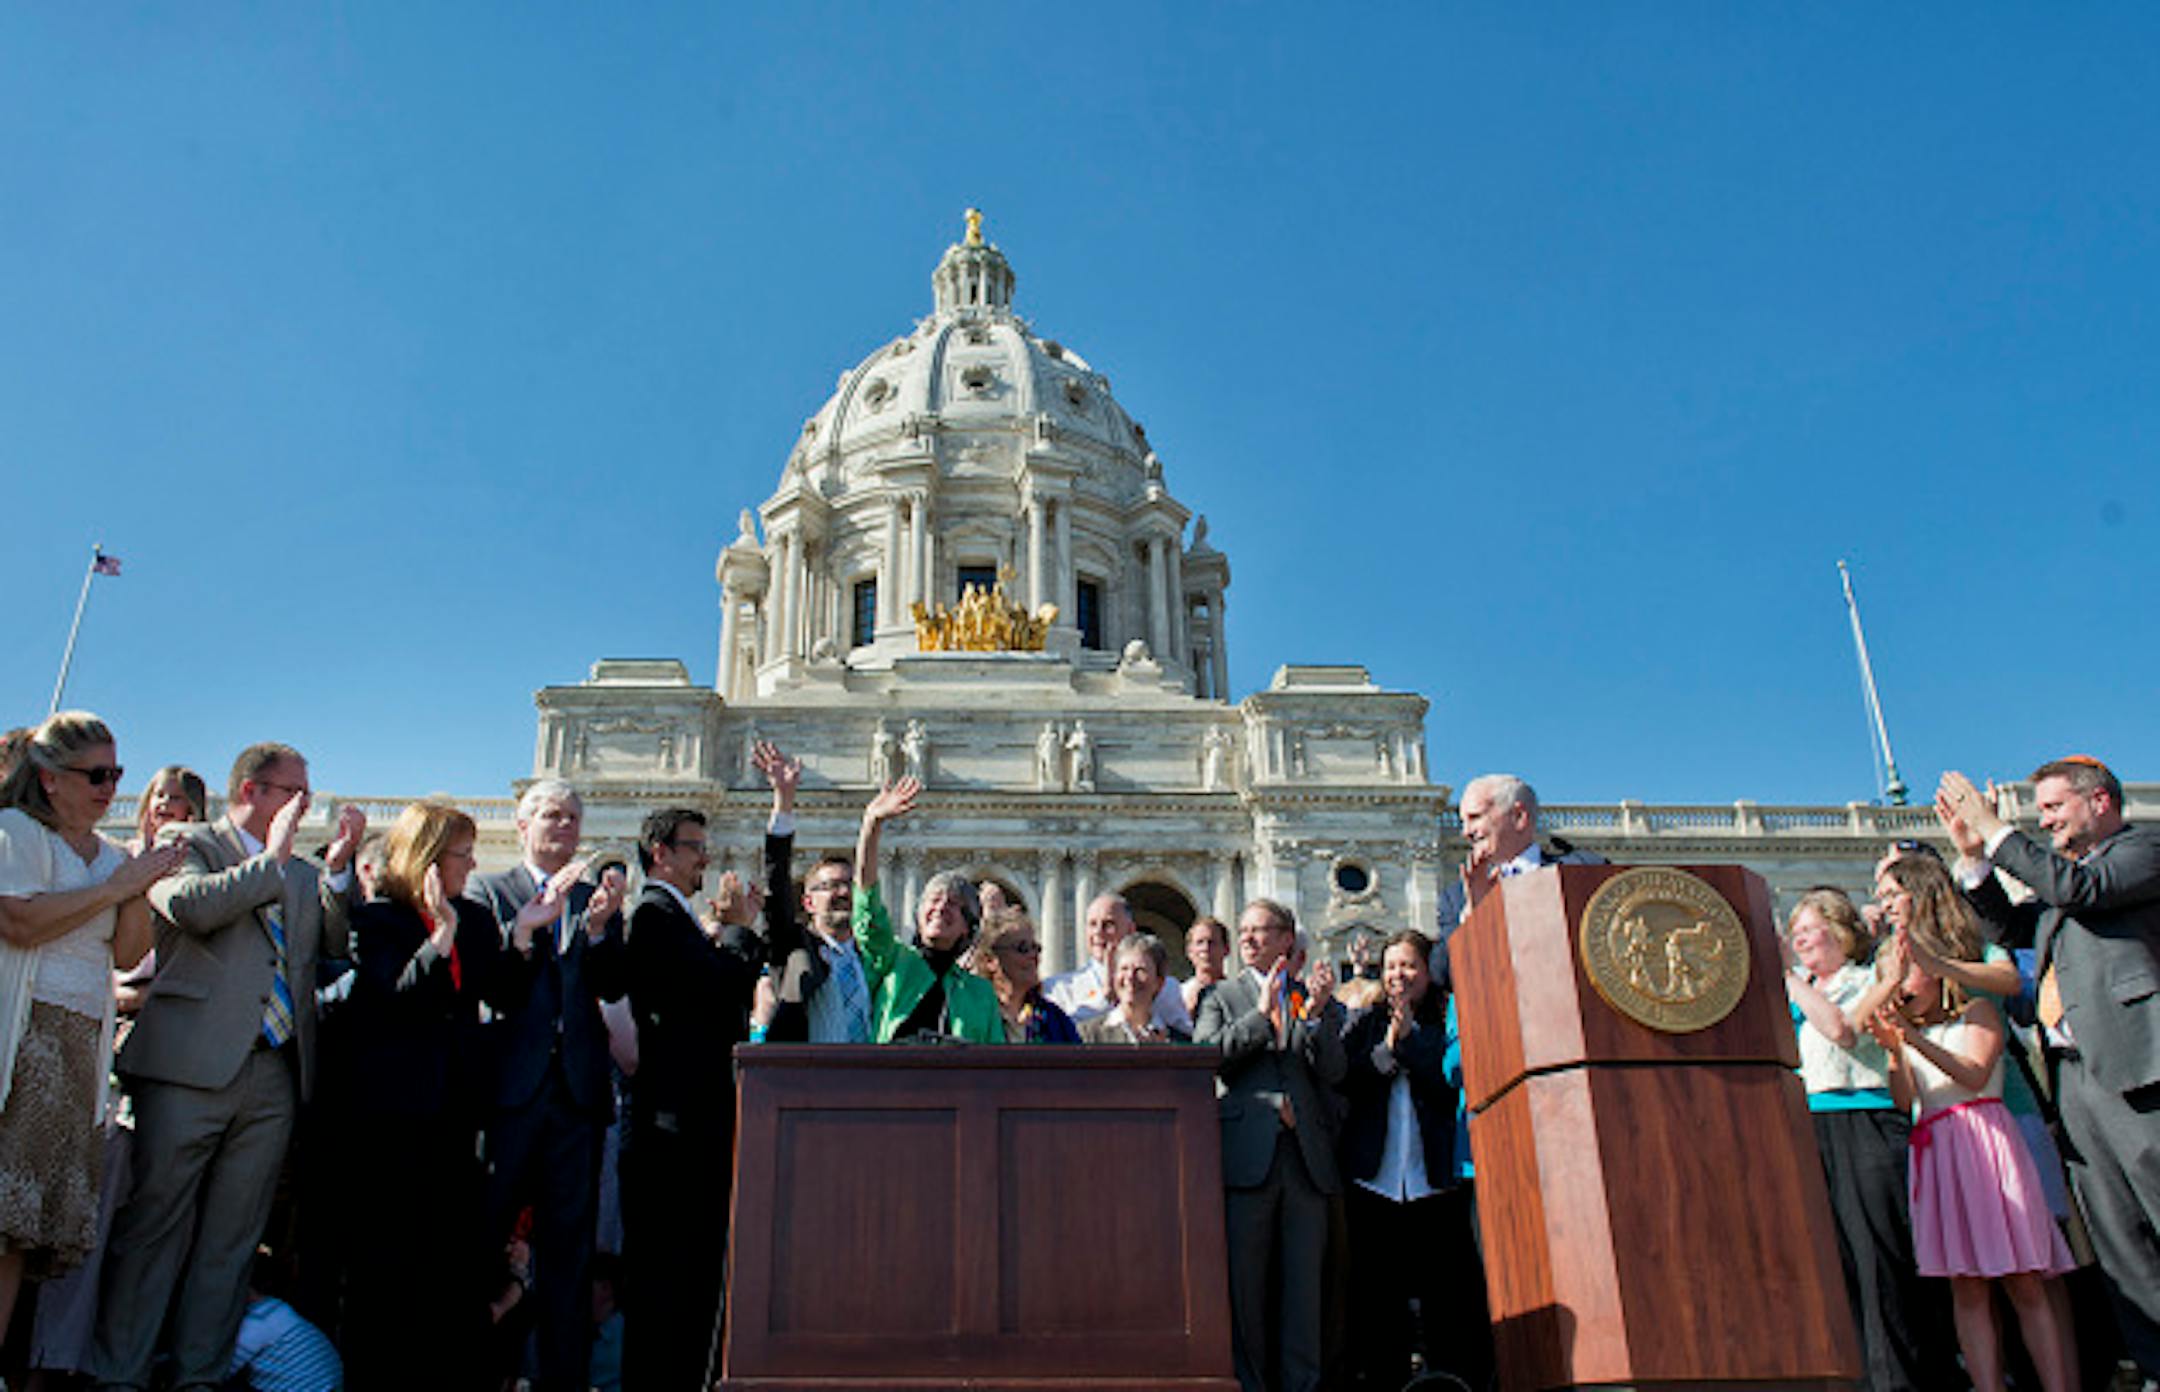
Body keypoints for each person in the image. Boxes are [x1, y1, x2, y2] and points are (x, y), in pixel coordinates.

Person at [93, 742, 366, 1391]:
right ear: (251, 790)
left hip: (272, 1072)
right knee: (154, 1229)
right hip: (189, 1067)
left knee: (232, 1242)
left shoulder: (298, 870)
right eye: (293, 791)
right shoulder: (189, 841)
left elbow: (330, 947)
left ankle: (200, 1376)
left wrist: (336, 873)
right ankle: (120, 1376)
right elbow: (190, 908)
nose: (306, 803)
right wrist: (270, 859)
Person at [1937, 759, 2160, 1375]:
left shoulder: (2142, 851)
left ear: (2102, 803)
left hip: (2140, 1067)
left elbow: (2077, 891)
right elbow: (2010, 926)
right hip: (2076, 1079)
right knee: (2120, 1244)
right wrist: (1977, 858)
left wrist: (2002, 832)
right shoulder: (2063, 882)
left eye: (2056, 807)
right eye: (2042, 811)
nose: (2045, 819)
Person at [0, 713, 181, 1351]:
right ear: (50, 780)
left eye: (117, 773)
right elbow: (18, 923)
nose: (110, 787)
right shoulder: (17, 831)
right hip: (19, 1044)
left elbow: (130, 954)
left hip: (80, 1050)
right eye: (97, 774)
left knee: (23, 1230)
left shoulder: (111, 859)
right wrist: (115, 888)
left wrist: (134, 886)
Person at [462, 779, 626, 1392]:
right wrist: (525, 932)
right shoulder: (489, 889)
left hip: (576, 1096)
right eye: (552, 816)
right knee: (484, 1243)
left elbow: (611, 988)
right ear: (523, 824)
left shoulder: (595, 900)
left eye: (573, 818)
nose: (564, 827)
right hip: (508, 1092)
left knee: (570, 1258)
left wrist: (603, 931)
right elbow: (488, 985)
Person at [1866, 926, 2077, 1392]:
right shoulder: (1909, 1035)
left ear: (1935, 973)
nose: (1899, 984)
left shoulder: (1976, 1012)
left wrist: (1912, 1041)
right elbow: (1905, 1102)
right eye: (1888, 975)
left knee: (2023, 1280)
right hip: (1939, 1153)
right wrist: (1894, 1053)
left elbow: (1975, 1072)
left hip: (1986, 1143)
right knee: (1967, 1286)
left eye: (1907, 972)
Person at [341, 799, 507, 1389]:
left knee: (449, 1265)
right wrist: (439, 938)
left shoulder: (476, 920)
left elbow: (503, 990)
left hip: (459, 1118)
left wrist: (534, 932)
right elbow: (395, 1000)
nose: (472, 864)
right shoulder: (381, 919)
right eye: (462, 854)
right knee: (389, 1266)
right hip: (395, 1119)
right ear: (429, 860)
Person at [623, 805, 778, 1391]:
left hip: (689, 1121)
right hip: (677, 1127)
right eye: (694, 848)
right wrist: (736, 931)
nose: (705, 859)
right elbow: (713, 994)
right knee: (672, 1284)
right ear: (660, 852)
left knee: (688, 1283)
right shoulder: (654, 915)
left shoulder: (673, 917)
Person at [1782, 887, 1941, 1392]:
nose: (1799, 939)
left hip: (1865, 1121)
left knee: (1880, 1262)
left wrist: (1787, 972)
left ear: (1840, 932)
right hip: (1815, 1127)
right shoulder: (1801, 989)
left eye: (1808, 929)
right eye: (1794, 933)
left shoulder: (1862, 980)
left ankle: (1903, 1380)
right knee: (1838, 1262)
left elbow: (1841, 1030)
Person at [1195, 899, 1345, 1392]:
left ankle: (1303, 1384)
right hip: (1247, 1159)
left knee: (1305, 1291)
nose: (1249, 940)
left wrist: (1320, 1018)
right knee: (1247, 1290)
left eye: (1260, 931)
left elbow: (1334, 1073)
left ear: (1287, 939)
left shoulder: (1310, 996)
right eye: (1243, 932)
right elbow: (1208, 1057)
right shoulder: (1221, 995)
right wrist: (1260, 1020)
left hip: (1305, 1162)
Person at [1336, 929, 1484, 1392]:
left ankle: (1449, 1380)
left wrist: (1410, 1039)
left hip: (1432, 1179)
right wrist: (1388, 1046)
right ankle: (1385, 1380)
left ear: (1427, 971)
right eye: (1392, 966)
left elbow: (1448, 1081)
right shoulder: (1365, 1021)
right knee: (1379, 1296)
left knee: (1445, 1293)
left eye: (1409, 965)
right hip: (1376, 1180)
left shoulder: (1445, 1021)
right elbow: (1351, 1079)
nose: (1399, 975)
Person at [851, 778, 1005, 1043]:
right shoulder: (892, 960)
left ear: (968, 926)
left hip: (956, 1083)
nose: (941, 906)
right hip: (892, 1080)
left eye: (954, 904)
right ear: (918, 915)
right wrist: (872, 824)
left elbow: (994, 1062)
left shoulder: (980, 993)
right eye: (933, 900)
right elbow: (867, 902)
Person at [1433, 773, 1602, 987]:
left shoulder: (1583, 869)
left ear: (1519, 816)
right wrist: (1474, 916)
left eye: (1475, 817)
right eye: (1462, 822)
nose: (1465, 832)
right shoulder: (1456, 899)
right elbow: (1443, 976)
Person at [1044, 892, 1192, 1035]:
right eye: (1092, 924)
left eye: (1108, 924)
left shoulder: (1166, 987)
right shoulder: (1059, 988)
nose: (1098, 932)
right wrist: (1104, 999)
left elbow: (1184, 1038)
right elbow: (1058, 1036)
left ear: (1130, 929)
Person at [972, 906, 1080, 1043]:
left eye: (1036, 948)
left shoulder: (1055, 1020)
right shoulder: (975, 1013)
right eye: (1022, 949)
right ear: (990, 960)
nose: (1033, 955)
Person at [1079, 932, 1188, 1043]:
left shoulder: (1177, 1041)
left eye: (1140, 970)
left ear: (1159, 982)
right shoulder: (1087, 1035)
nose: (1130, 976)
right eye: (1124, 968)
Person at [130, 764, 208, 853]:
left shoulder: (197, 850)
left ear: (191, 807)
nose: (165, 801)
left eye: (175, 797)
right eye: (160, 795)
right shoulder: (129, 850)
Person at [1183, 915, 1230, 1020]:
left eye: (1212, 942)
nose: (1206, 948)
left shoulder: (1237, 993)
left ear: (1226, 949)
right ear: (1189, 951)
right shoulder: (1179, 996)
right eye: (1200, 942)